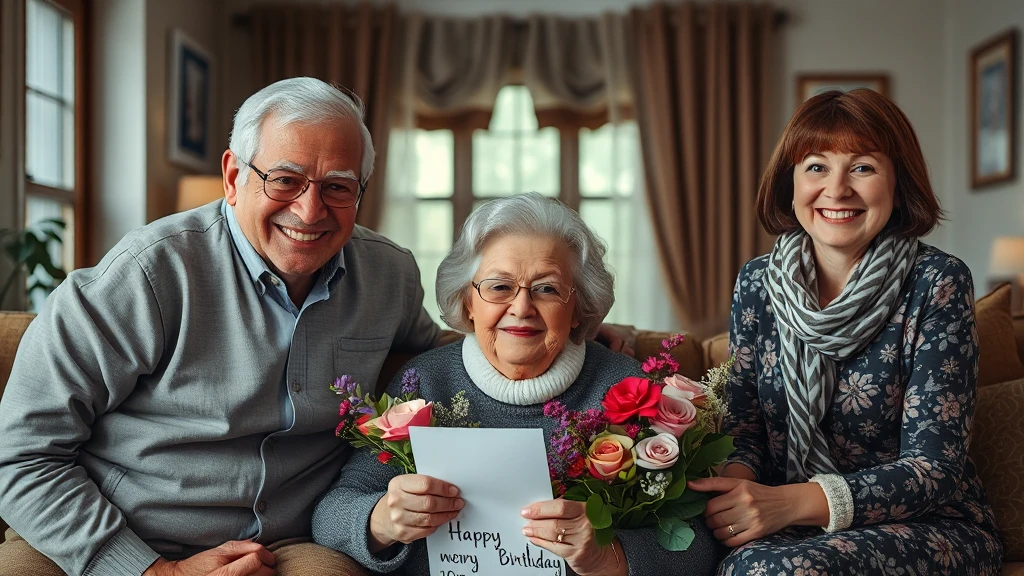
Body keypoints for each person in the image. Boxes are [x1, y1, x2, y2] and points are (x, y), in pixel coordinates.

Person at [0, 77, 438, 575]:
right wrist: (150, 570)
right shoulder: (146, 274)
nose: (310, 211)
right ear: (233, 177)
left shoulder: (389, 275)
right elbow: (18, 455)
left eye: (337, 187)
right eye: (285, 180)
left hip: (293, 541)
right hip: (111, 532)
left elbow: (447, 362)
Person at [311, 193, 719, 576]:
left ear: (578, 308)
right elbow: (330, 514)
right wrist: (382, 520)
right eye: (499, 287)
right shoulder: (423, 382)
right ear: (468, 302)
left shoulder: (629, 392)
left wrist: (605, 556)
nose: (521, 308)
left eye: (547, 289)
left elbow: (700, 543)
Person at [688, 89, 1003, 574]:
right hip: (785, 523)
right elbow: (744, 427)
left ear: (899, 183)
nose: (837, 190)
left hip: (929, 524)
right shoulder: (757, 281)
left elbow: (934, 470)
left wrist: (790, 503)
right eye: (816, 166)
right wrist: (737, 495)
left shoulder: (938, 283)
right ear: (789, 184)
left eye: (863, 167)